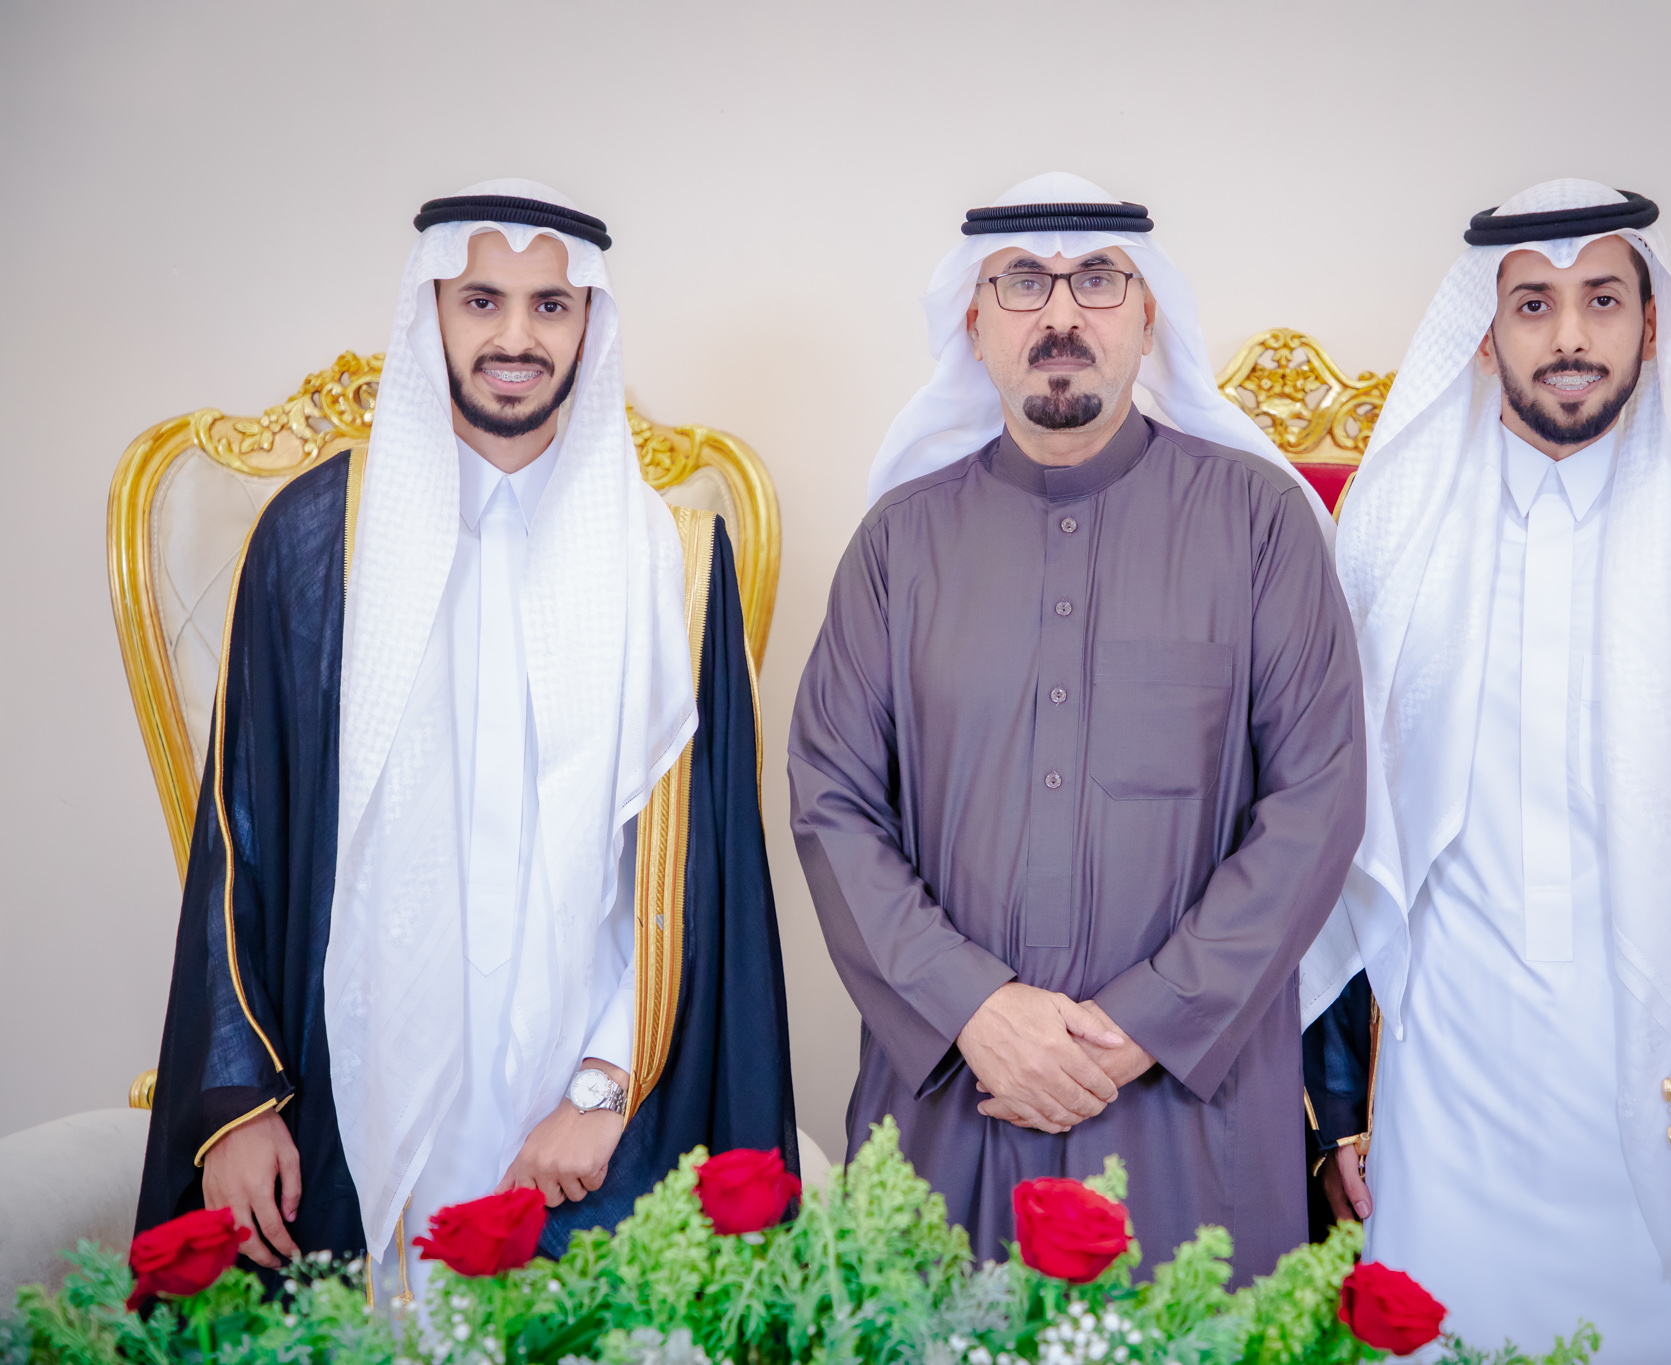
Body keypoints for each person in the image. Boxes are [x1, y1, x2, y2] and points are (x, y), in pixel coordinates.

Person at [136, 181, 796, 1300]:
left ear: (588, 326)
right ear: (430, 311)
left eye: (550, 306)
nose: (515, 338)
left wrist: (601, 1091)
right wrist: (237, 1102)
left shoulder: (671, 565)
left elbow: (702, 874)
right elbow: (239, 836)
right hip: (349, 1094)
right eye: (482, 300)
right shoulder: (314, 540)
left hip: (591, 1124)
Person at [1299, 180, 1671, 1362]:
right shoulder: (1394, 538)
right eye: (1532, 303)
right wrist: (1334, 1109)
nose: (1567, 335)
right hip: (1446, 1080)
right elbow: (1325, 840)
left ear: (1649, 323)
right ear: (1483, 331)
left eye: (1601, 300)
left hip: (1666, 1087)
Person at [789, 172, 1365, 1283]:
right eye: (1023, 283)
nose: (1061, 314)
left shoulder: (1261, 526)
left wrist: (1142, 1025)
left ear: (1148, 316)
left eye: (1097, 280)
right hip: (954, 1095)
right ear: (975, 321)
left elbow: (1316, 805)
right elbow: (830, 802)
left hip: (1185, 1107)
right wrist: (974, 1008)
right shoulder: (897, 546)